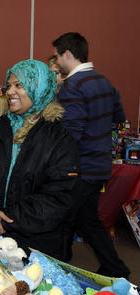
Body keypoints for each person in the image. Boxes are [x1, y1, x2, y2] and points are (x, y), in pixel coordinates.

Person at [0, 59, 79, 261]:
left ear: (39, 88)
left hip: (38, 246)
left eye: (19, 85)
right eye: (9, 85)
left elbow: (58, 197)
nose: (10, 91)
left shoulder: (59, 139)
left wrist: (6, 220)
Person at [52, 32, 130, 278]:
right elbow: (119, 117)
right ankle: (115, 268)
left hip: (81, 166)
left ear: (67, 54)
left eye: (56, 55)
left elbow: (71, 133)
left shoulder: (74, 85)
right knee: (87, 220)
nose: (56, 61)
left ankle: (57, 268)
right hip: (100, 165)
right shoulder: (104, 81)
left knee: (60, 217)